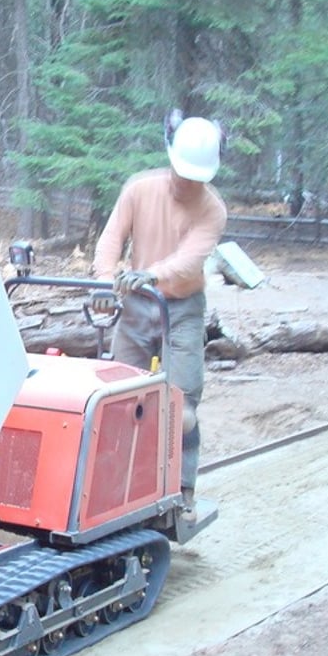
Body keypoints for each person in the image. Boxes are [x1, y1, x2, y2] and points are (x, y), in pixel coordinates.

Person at [91, 112, 227, 519]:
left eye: (195, 177)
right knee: (114, 398)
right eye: (182, 173)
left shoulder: (213, 210)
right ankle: (111, 488)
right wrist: (103, 281)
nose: (186, 183)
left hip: (182, 309)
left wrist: (151, 272)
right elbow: (112, 236)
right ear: (169, 157)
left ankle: (182, 488)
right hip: (136, 305)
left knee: (180, 410)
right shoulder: (139, 189)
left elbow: (189, 260)